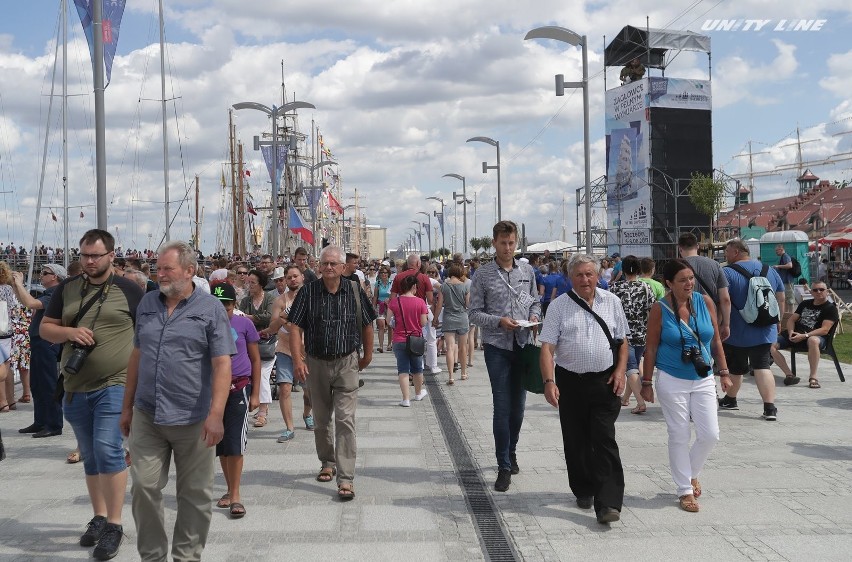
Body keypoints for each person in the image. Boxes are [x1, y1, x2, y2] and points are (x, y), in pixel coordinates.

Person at [119, 240, 235, 560]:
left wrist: (216, 414)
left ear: (189, 271)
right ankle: (153, 556)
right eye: (158, 268)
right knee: (143, 487)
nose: (161, 274)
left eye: (168, 268)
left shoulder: (210, 309)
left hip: (194, 418)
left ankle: (186, 556)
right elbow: (137, 355)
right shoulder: (147, 304)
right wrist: (126, 407)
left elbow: (222, 363)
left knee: (195, 495)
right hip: (148, 414)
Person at [41, 229, 143, 560]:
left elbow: (148, 333)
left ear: (111, 256)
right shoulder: (67, 289)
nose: (88, 261)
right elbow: (45, 328)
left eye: (95, 255)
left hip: (116, 383)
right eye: (84, 255)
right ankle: (99, 516)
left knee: (107, 448)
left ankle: (114, 524)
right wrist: (70, 332)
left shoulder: (130, 290)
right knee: (90, 453)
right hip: (74, 386)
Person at [538, 253, 628, 524]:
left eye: (590, 274)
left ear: (598, 275)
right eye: (579, 275)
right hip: (570, 383)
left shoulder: (612, 302)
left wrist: (621, 370)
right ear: (570, 277)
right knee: (576, 442)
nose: (585, 279)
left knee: (604, 440)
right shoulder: (558, 307)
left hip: (604, 382)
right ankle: (583, 488)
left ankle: (609, 503)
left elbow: (622, 341)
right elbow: (547, 348)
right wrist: (549, 381)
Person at [640, 259, 731, 513]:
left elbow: (715, 341)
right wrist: (646, 382)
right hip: (672, 378)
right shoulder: (660, 309)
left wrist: (723, 372)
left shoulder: (705, 302)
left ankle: (691, 473)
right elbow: (651, 347)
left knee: (710, 433)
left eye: (691, 278)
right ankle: (684, 490)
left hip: (702, 377)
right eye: (682, 280)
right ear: (669, 283)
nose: (689, 283)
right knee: (679, 434)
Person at [288, 245, 376, 501]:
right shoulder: (308, 292)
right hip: (316, 362)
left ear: (342, 267)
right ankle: (327, 462)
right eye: (324, 264)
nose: (328, 268)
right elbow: (295, 327)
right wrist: (298, 359)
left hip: (347, 361)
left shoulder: (354, 290)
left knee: (345, 420)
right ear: (319, 267)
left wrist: (367, 356)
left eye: (333, 264)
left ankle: (346, 478)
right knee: (322, 419)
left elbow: (368, 324)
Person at [469, 221, 541, 492]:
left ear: (516, 242)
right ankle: (503, 465)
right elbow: (473, 313)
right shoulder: (484, 274)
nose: (508, 248)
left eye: (511, 243)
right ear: (494, 243)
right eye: (503, 243)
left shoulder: (527, 270)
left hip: (523, 343)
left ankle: (512, 451)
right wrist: (499, 321)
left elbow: (535, 300)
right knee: (502, 406)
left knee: (518, 407)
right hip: (497, 347)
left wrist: (534, 316)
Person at [718, 239, 785, 421]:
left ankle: (731, 399)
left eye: (727, 252)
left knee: (736, 367)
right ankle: (769, 408)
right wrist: (778, 320)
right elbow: (781, 297)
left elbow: (724, 300)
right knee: (762, 365)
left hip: (737, 330)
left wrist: (723, 323)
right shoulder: (769, 269)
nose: (726, 255)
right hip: (765, 328)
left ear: (737, 252)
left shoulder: (727, 272)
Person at [211, 282, 260, 519]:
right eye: (217, 306)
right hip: (214, 390)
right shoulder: (204, 326)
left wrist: (256, 392)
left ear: (234, 305)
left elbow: (255, 359)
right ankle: (229, 489)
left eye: (227, 307)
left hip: (239, 387)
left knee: (235, 442)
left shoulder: (244, 324)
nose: (223, 311)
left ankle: (236, 494)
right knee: (221, 443)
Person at [12, 264, 66, 437]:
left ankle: (53, 424)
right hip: (39, 341)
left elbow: (29, 303)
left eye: (45, 273)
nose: (41, 276)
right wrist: (15, 285)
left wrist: (19, 283)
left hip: (47, 342)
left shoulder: (56, 294)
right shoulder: (49, 294)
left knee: (48, 384)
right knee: (37, 384)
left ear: (54, 277)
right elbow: (25, 302)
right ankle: (41, 421)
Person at [265, 264, 313, 442]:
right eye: (289, 277)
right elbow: (272, 327)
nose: (292, 279)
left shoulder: (311, 298)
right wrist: (283, 317)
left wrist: (289, 321)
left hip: (306, 350)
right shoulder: (280, 301)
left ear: (302, 277)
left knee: (310, 391)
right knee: (284, 388)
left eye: (295, 276)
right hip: (285, 349)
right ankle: (289, 427)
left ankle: (307, 414)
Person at [608, 255, 656, 413]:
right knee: (633, 366)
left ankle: (641, 402)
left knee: (631, 367)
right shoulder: (646, 288)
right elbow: (652, 310)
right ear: (639, 270)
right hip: (642, 333)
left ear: (622, 270)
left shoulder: (614, 288)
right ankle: (627, 398)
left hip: (622, 335)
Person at [770, 280, 838, 389]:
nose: (818, 292)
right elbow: (792, 320)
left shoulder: (830, 308)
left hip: (816, 338)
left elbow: (824, 330)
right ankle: (789, 375)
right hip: (796, 334)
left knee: (813, 340)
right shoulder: (805, 304)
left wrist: (805, 336)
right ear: (811, 292)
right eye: (815, 290)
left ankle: (813, 377)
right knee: (771, 345)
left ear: (827, 292)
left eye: (821, 289)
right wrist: (791, 332)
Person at [678, 232, 731, 343]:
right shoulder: (714, 265)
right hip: (711, 320)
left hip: (684, 320)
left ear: (680, 248)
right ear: (697, 246)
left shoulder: (676, 266)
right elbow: (725, 299)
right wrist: (726, 324)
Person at [239, 269, 276, 428]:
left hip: (267, 344)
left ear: (261, 284)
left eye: (253, 282)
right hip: (250, 344)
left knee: (262, 376)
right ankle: (257, 406)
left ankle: (262, 412)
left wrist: (250, 318)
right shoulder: (245, 301)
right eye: (248, 282)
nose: (249, 285)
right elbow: (242, 319)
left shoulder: (270, 298)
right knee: (252, 376)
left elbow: (270, 316)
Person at [391, 254, 438, 374]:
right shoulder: (424, 278)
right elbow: (430, 299)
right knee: (429, 339)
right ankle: (429, 366)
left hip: (403, 312)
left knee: (405, 336)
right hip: (421, 310)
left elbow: (392, 297)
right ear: (418, 264)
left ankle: (412, 367)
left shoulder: (398, 277)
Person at [387, 274, 428, 406]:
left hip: (399, 339)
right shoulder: (420, 302)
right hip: (416, 339)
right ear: (414, 286)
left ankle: (406, 399)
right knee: (417, 368)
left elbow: (388, 321)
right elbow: (423, 323)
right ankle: (418, 393)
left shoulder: (394, 302)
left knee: (403, 369)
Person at [435, 262, 470, 384]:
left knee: (449, 347)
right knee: (462, 347)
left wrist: (435, 319)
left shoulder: (443, 286)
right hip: (462, 318)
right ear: (460, 273)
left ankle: (450, 376)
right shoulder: (465, 286)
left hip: (448, 318)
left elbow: (439, 305)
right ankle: (464, 373)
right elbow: (468, 304)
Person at [0, 262, 20, 411]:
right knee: (7, 364)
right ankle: (11, 400)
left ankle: (2, 402)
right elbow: (14, 308)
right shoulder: (8, 289)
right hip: (7, 330)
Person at [373, 266, 393, 353]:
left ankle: (389, 344)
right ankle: (381, 346)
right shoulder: (377, 283)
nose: (384, 274)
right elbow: (375, 296)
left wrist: (390, 300)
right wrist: (373, 307)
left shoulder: (391, 283)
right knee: (381, 325)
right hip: (380, 305)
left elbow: (394, 295)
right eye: (382, 273)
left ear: (388, 274)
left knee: (390, 326)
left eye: (385, 272)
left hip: (390, 306)